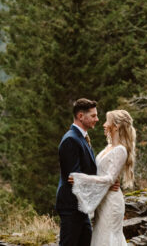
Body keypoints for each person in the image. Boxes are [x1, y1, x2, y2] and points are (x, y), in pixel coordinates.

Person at [69, 109, 136, 246]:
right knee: (101, 237)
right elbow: (101, 173)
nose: (104, 124)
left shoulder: (120, 150)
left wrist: (81, 179)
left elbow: (110, 179)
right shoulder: (110, 146)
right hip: (103, 201)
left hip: (111, 202)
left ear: (116, 126)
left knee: (109, 238)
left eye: (107, 121)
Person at [56, 98, 99, 246]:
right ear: (81, 116)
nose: (97, 119)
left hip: (81, 205)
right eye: (93, 116)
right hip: (71, 205)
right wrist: (105, 183)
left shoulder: (82, 137)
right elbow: (75, 178)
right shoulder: (71, 140)